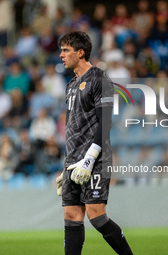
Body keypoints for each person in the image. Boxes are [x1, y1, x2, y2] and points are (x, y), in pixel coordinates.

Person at [56, 31, 133, 255]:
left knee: (96, 215)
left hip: (95, 158)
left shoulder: (99, 79)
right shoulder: (70, 85)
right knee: (71, 216)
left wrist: (89, 159)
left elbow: (105, 122)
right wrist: (67, 164)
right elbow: (72, 127)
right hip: (73, 161)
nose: (61, 55)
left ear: (80, 53)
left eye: (66, 50)